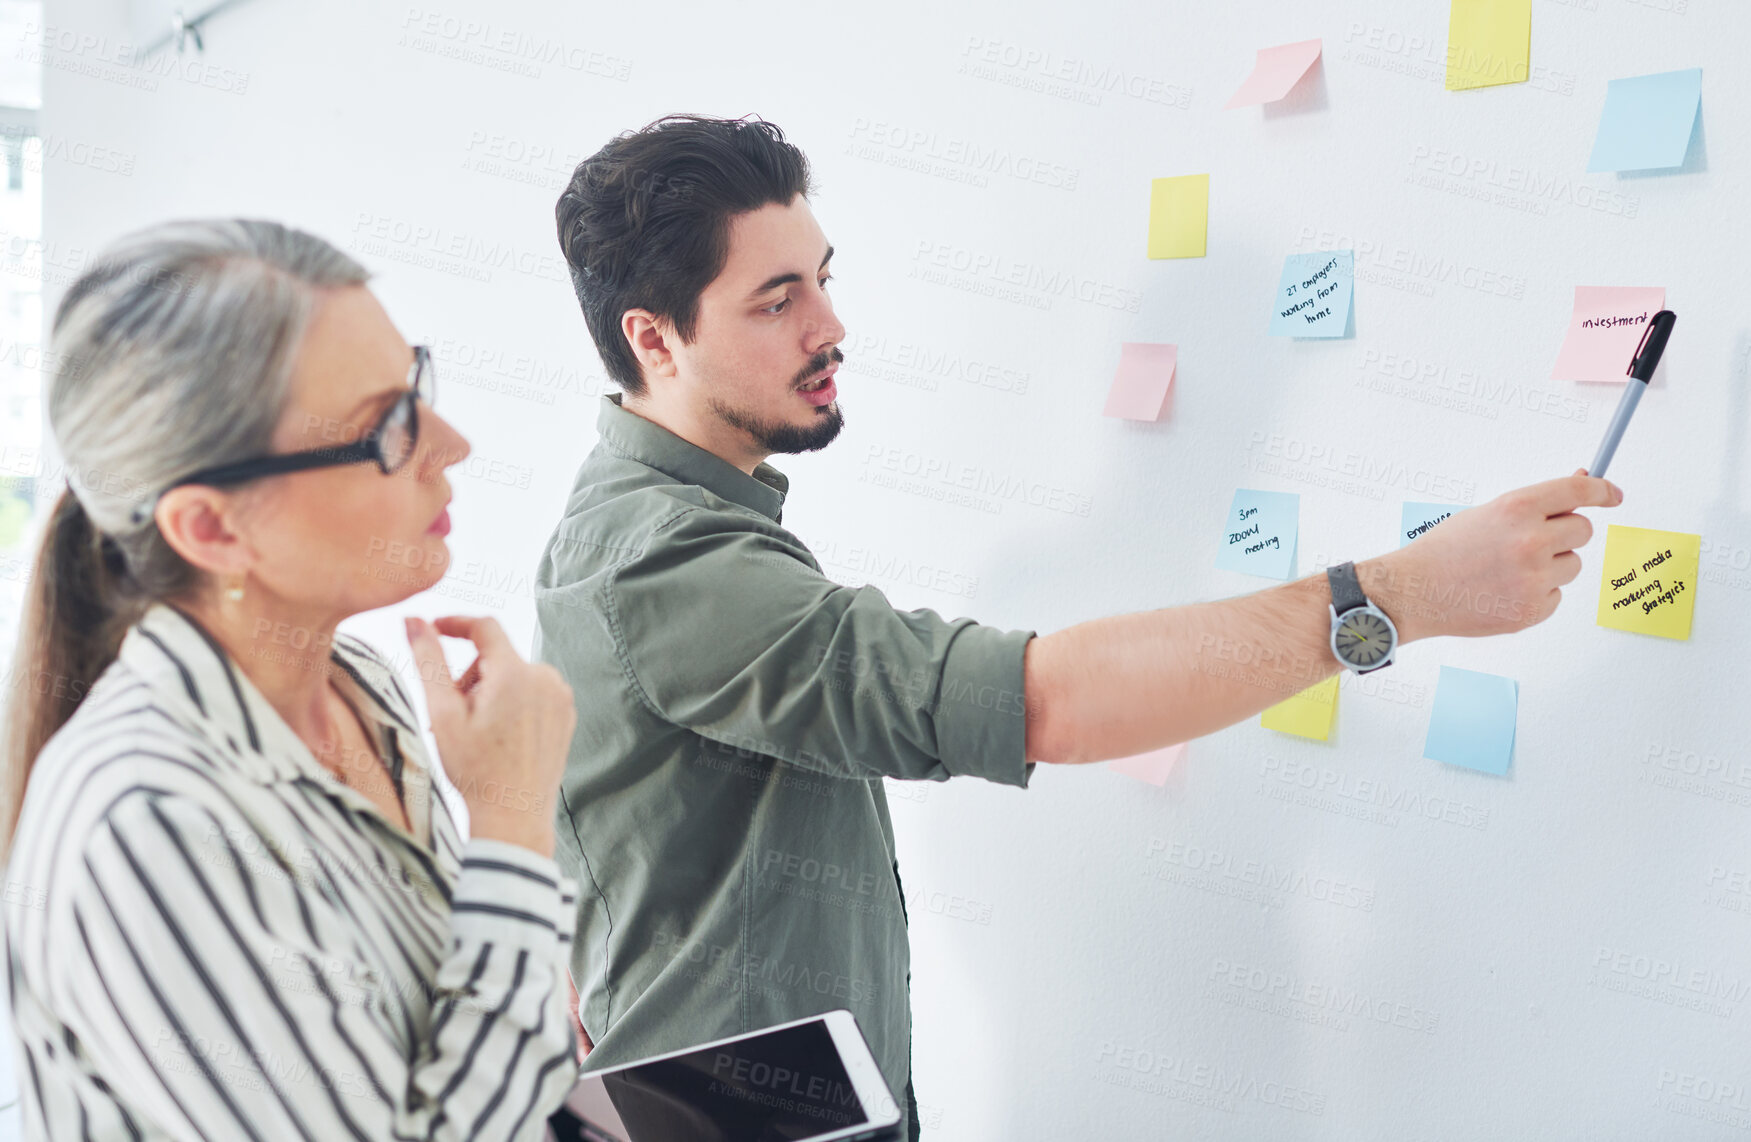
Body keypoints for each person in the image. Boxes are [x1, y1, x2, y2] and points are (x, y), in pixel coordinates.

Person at [534, 114, 1622, 1140]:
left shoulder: (671, 527)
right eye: (776, 301)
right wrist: (1398, 594)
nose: (831, 327)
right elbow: (1040, 700)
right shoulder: (665, 558)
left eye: (823, 280)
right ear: (655, 339)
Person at [3, 219, 582, 1140]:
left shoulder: (361, 685)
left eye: (416, 384)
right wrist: (513, 824)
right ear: (214, 530)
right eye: (387, 427)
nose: (454, 444)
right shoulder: (149, 824)